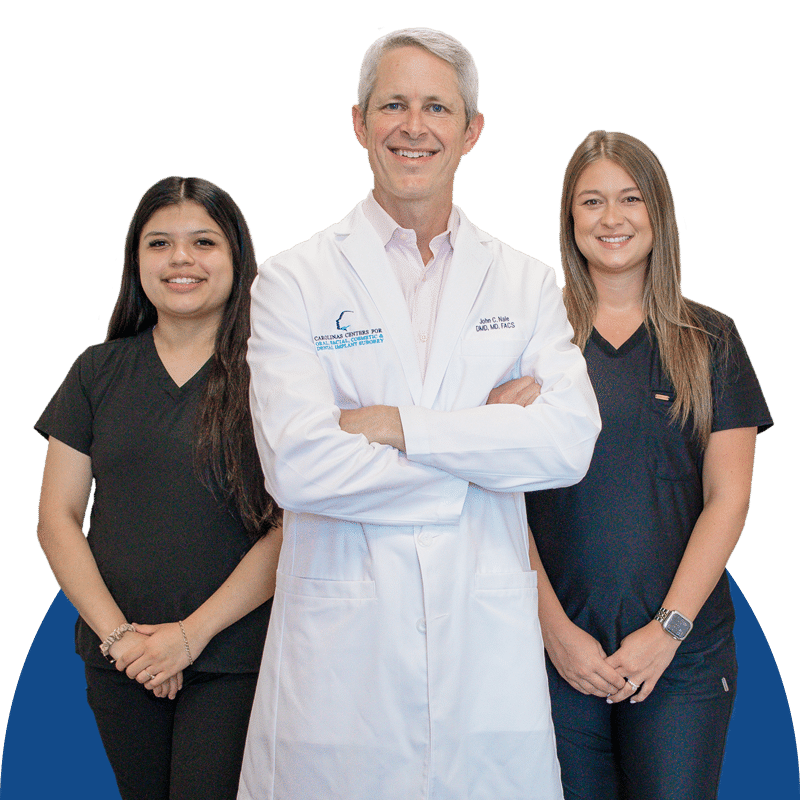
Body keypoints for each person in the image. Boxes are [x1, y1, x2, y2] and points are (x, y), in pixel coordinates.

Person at [239, 27, 601, 800]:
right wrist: (488, 451)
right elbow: (300, 467)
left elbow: (568, 446)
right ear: (359, 122)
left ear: (470, 131)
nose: (414, 126)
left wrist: (401, 426)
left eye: (438, 107)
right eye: (393, 104)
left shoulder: (524, 284)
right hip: (343, 671)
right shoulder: (292, 282)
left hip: (486, 667)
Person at [525, 130, 773, 800]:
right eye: (592, 201)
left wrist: (667, 631)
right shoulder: (533, 343)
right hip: (552, 656)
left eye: (630, 198)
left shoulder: (711, 340)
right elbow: (498, 498)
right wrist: (555, 632)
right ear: (568, 219)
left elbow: (731, 498)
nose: (612, 218)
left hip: (682, 661)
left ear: (659, 213)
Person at [34, 176, 283, 800]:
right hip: (121, 661)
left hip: (234, 658)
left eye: (204, 242)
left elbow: (293, 526)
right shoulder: (97, 371)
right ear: (135, 260)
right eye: (159, 243)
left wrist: (188, 637)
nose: (181, 260)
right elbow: (57, 518)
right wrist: (123, 642)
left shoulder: (276, 377)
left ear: (236, 259)